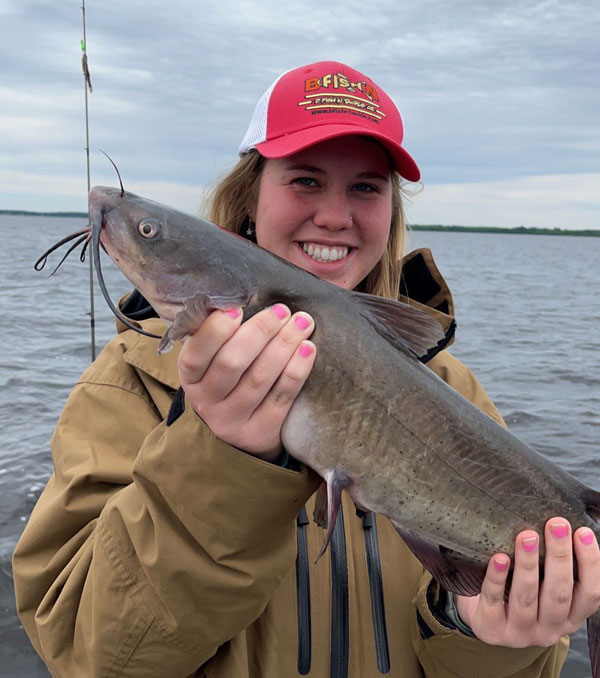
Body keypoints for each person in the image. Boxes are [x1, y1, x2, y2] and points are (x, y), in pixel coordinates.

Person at [12, 61, 600, 678]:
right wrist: (220, 459)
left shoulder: (456, 389)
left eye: (367, 188)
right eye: (305, 181)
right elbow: (88, 655)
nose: (334, 216)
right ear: (248, 198)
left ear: (391, 212)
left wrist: (483, 632)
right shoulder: (126, 388)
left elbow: (535, 663)